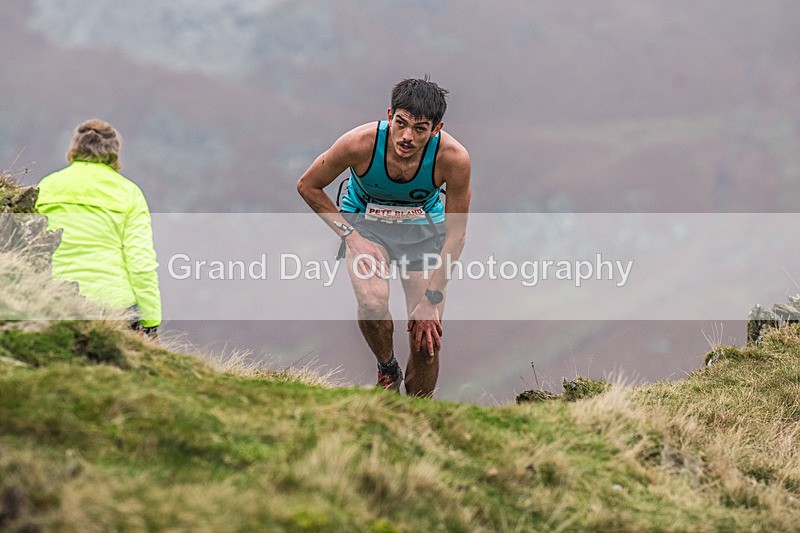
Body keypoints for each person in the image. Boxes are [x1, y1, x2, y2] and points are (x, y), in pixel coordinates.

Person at [297, 77, 471, 396]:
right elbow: (308, 185)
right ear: (390, 115)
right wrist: (352, 237)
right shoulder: (359, 143)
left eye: (420, 129)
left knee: (425, 339)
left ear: (436, 129)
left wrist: (431, 300)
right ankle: (387, 369)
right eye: (401, 123)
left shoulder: (453, 158)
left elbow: (456, 235)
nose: (407, 137)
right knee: (372, 301)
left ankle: (419, 411)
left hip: (422, 232)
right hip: (365, 225)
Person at [35, 119, 162, 337]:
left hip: (55, 297)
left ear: (75, 147)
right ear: (114, 152)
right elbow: (140, 262)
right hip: (114, 306)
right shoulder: (129, 193)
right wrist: (151, 319)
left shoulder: (47, 185)